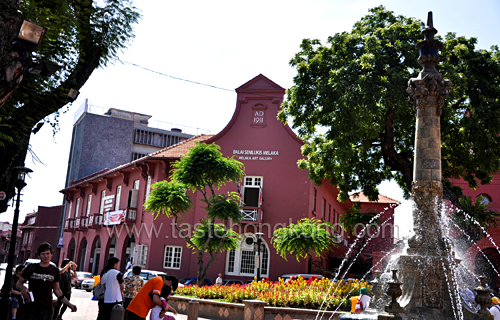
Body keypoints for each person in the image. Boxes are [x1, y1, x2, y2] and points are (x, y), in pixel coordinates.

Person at [16, 242, 77, 320]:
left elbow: (57, 290)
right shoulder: (31, 267)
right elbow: (18, 284)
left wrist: (69, 304)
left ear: (51, 254)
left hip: (46, 308)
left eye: (48, 253)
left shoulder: (55, 271)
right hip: (30, 307)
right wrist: (23, 288)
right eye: (43, 254)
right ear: (39, 255)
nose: (46, 256)